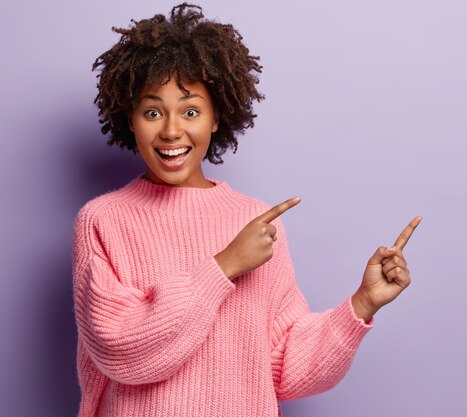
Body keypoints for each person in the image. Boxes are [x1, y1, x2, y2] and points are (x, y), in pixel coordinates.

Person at [72, 3, 422, 416]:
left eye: (190, 111)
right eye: (152, 112)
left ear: (216, 117)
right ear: (130, 119)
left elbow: (284, 368)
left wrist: (362, 303)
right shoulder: (103, 220)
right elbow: (121, 349)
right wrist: (222, 267)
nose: (170, 130)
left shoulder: (254, 222)